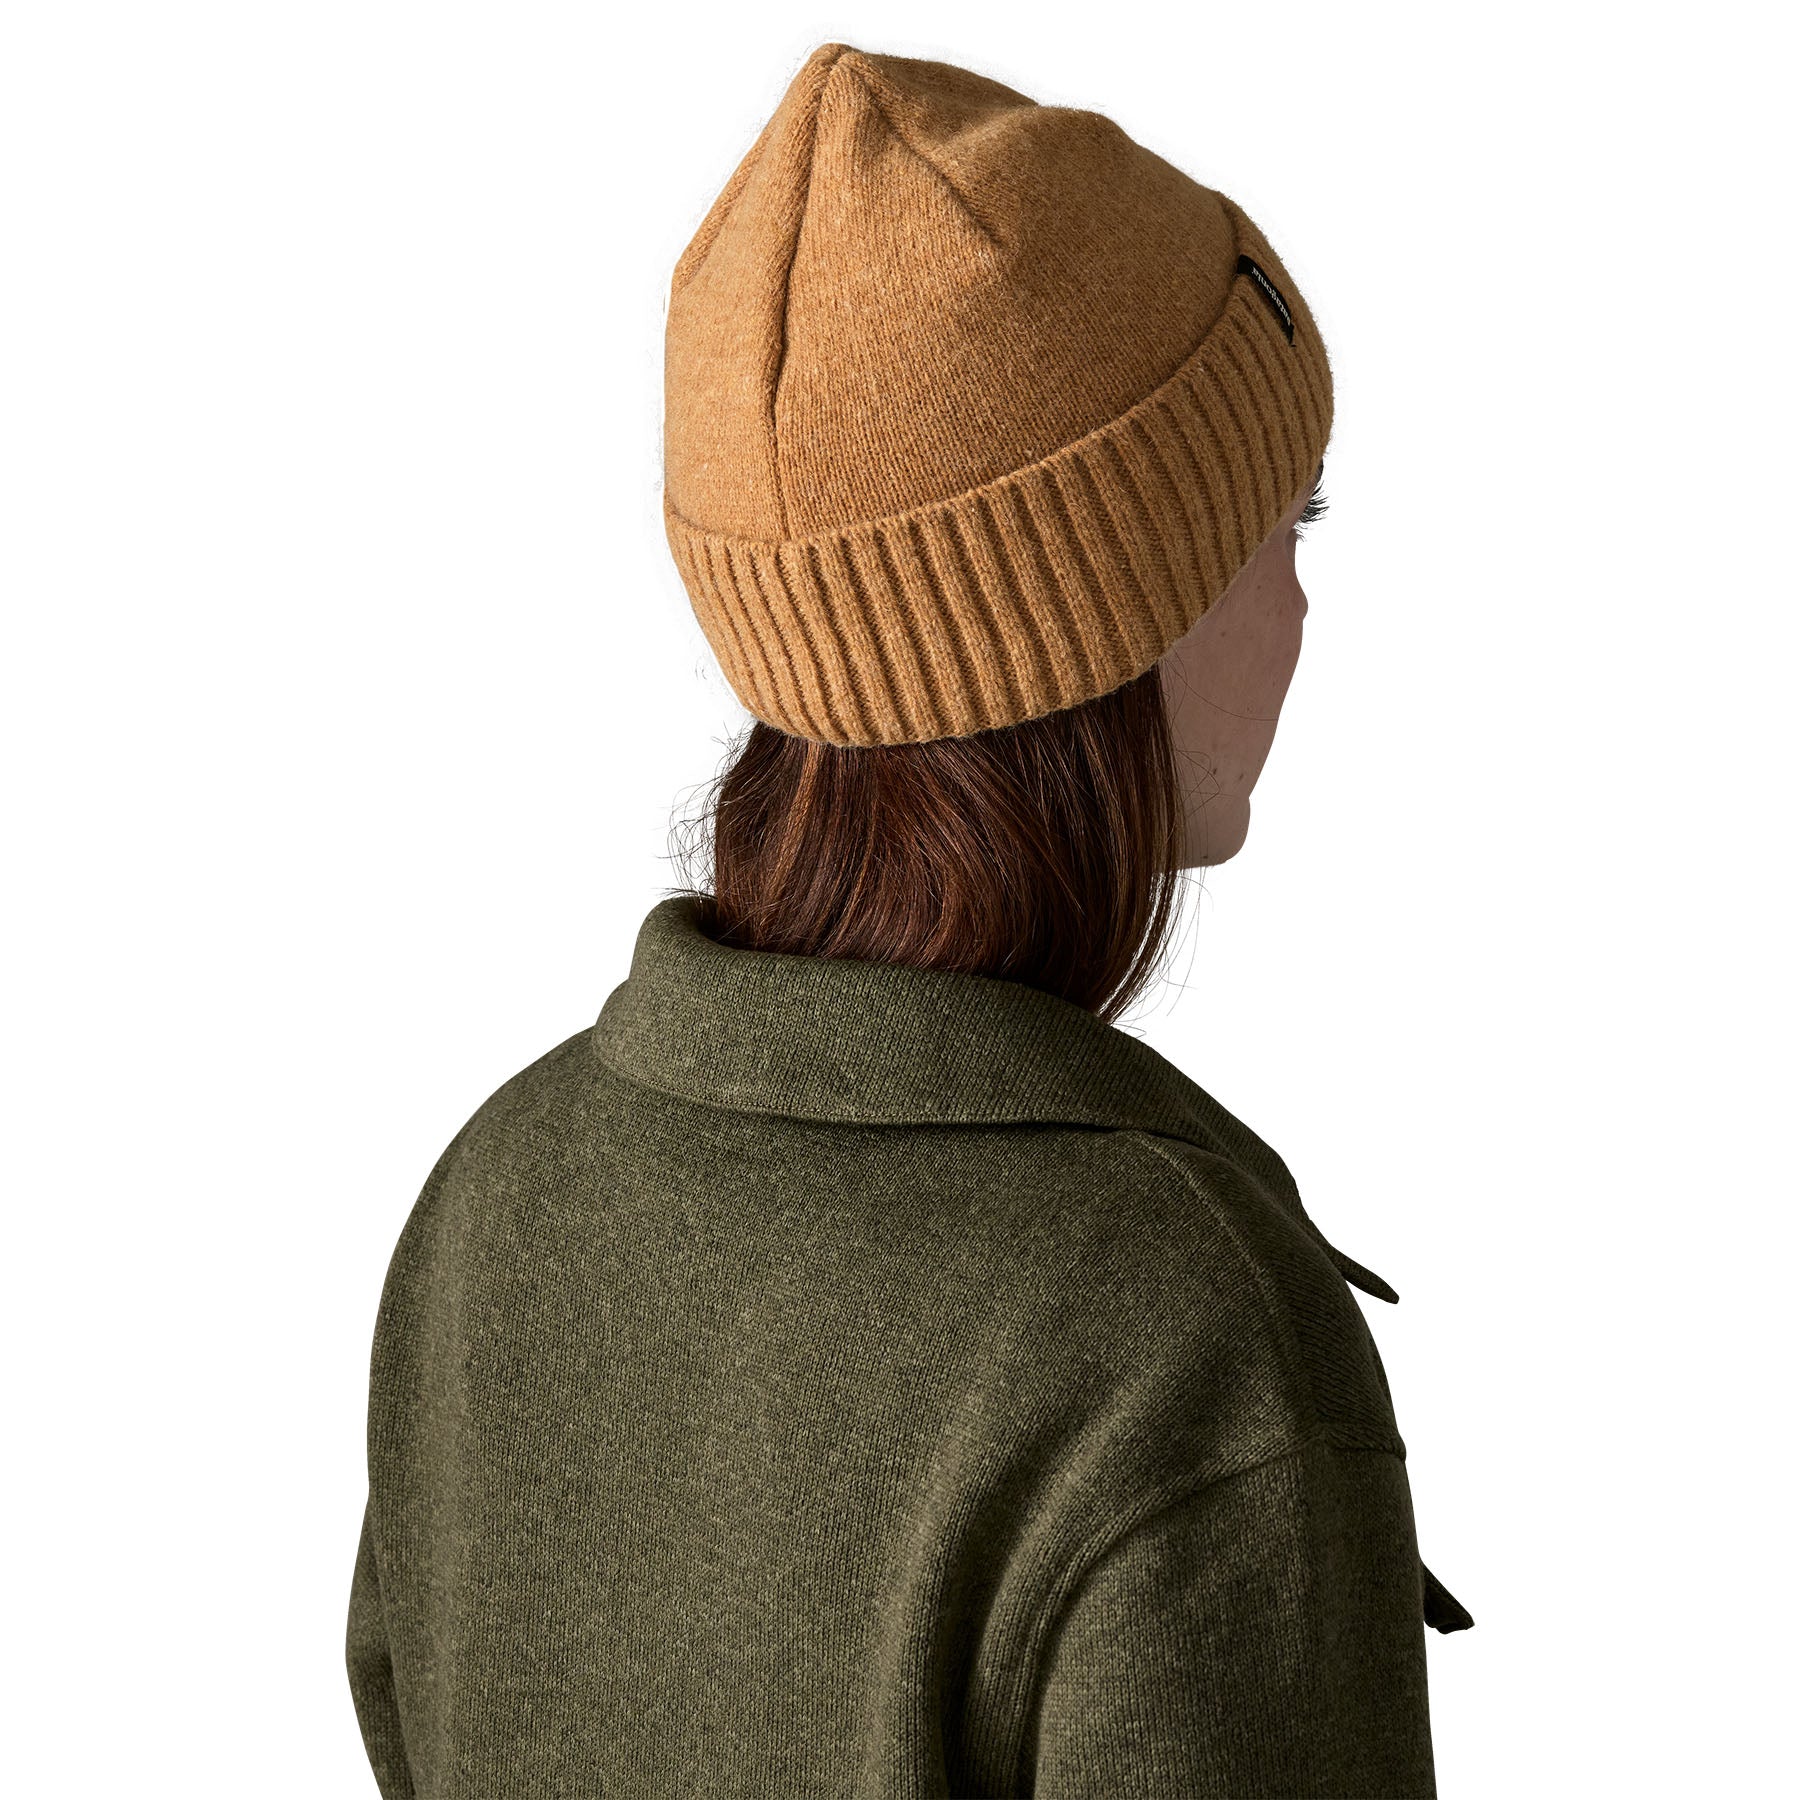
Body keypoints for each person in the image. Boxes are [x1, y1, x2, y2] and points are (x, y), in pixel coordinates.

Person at [347, 41, 1472, 1798]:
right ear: (1122, 611)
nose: (1306, 609)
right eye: (1287, 519)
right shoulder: (1176, 1335)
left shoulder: (497, 1200)